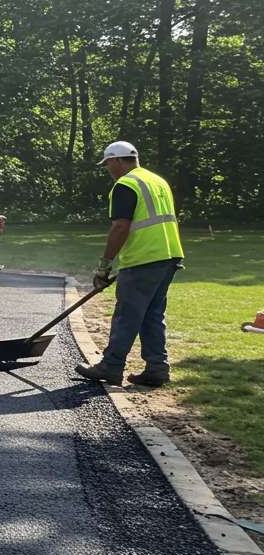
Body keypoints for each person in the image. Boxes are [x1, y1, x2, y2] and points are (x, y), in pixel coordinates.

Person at [75, 141, 185, 387]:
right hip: (168, 255)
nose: (107, 170)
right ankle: (157, 368)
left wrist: (104, 265)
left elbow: (120, 226)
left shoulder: (125, 184)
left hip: (143, 258)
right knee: (152, 315)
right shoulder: (157, 181)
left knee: (127, 314)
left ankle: (111, 366)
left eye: (107, 164)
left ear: (116, 160)